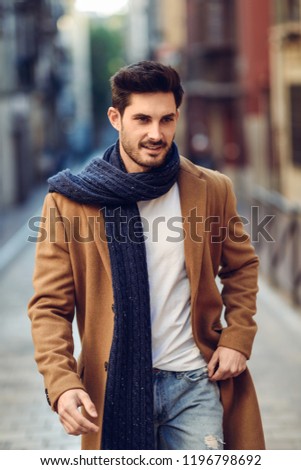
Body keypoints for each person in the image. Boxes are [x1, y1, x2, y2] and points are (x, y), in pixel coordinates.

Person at [28, 61, 265, 451]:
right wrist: (62, 381)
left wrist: (237, 338)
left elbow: (241, 267)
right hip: (114, 386)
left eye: (166, 119)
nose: (156, 134)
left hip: (195, 381)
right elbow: (49, 306)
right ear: (115, 118)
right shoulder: (68, 202)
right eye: (142, 119)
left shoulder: (212, 189)